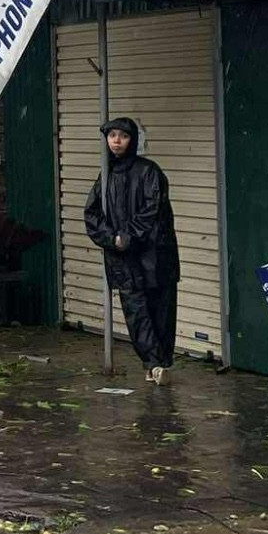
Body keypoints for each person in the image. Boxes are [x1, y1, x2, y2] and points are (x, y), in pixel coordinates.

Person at [84, 116, 180, 383]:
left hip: (155, 256)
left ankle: (158, 363)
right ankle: (154, 363)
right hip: (124, 258)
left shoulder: (150, 172)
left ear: (133, 140)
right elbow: (92, 214)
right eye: (112, 135)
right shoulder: (106, 175)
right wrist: (111, 238)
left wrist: (126, 236)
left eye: (123, 136)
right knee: (136, 312)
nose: (116, 141)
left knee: (159, 310)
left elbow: (153, 209)